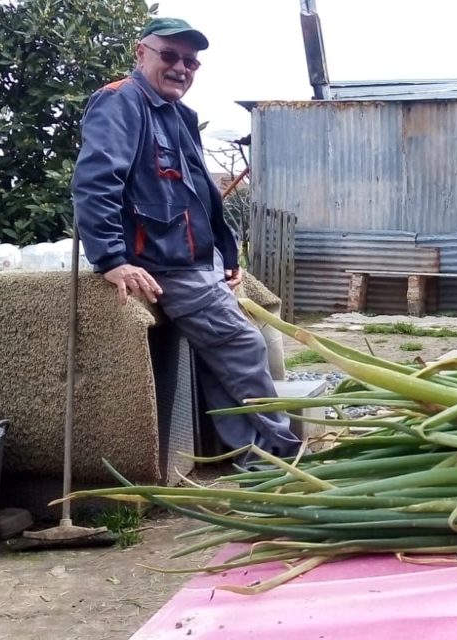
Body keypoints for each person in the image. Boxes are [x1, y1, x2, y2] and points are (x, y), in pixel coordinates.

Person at [71, 17, 300, 466]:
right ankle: (281, 455)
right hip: (166, 264)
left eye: (190, 62)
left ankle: (249, 460)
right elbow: (96, 183)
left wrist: (228, 255)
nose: (181, 68)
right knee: (244, 346)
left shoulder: (177, 114)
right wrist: (112, 259)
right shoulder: (120, 103)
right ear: (141, 53)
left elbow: (201, 194)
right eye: (169, 56)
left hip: (198, 262)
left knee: (223, 361)